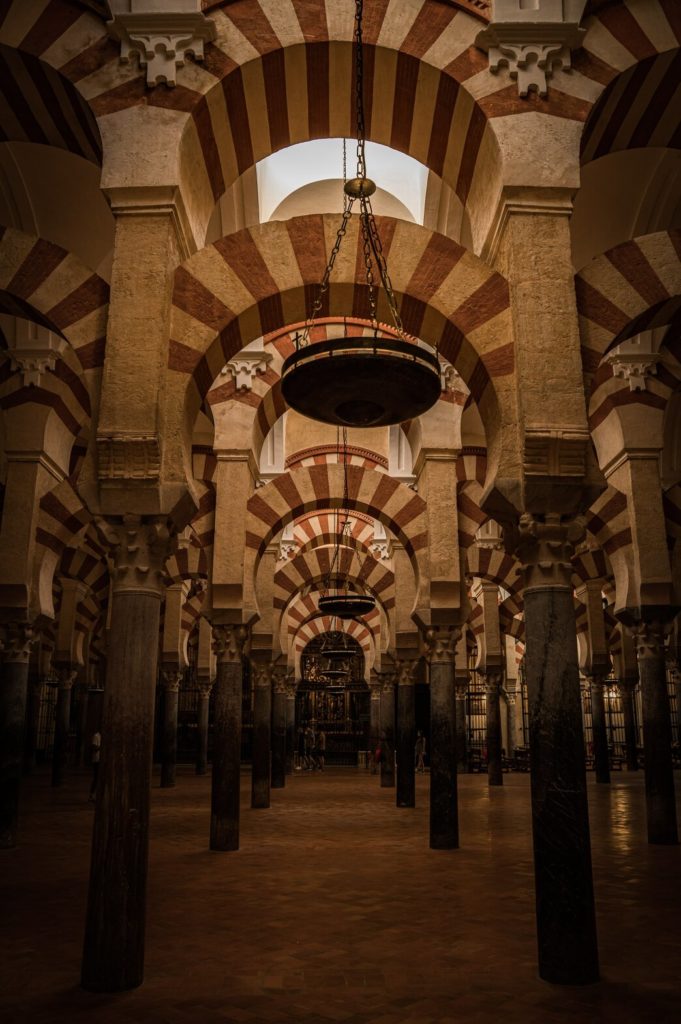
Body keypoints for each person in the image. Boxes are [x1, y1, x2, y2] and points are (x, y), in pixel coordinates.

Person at [89, 730, 101, 800]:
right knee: (96, 778)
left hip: (101, 760)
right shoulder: (96, 736)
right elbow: (94, 748)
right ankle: (91, 794)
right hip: (97, 760)